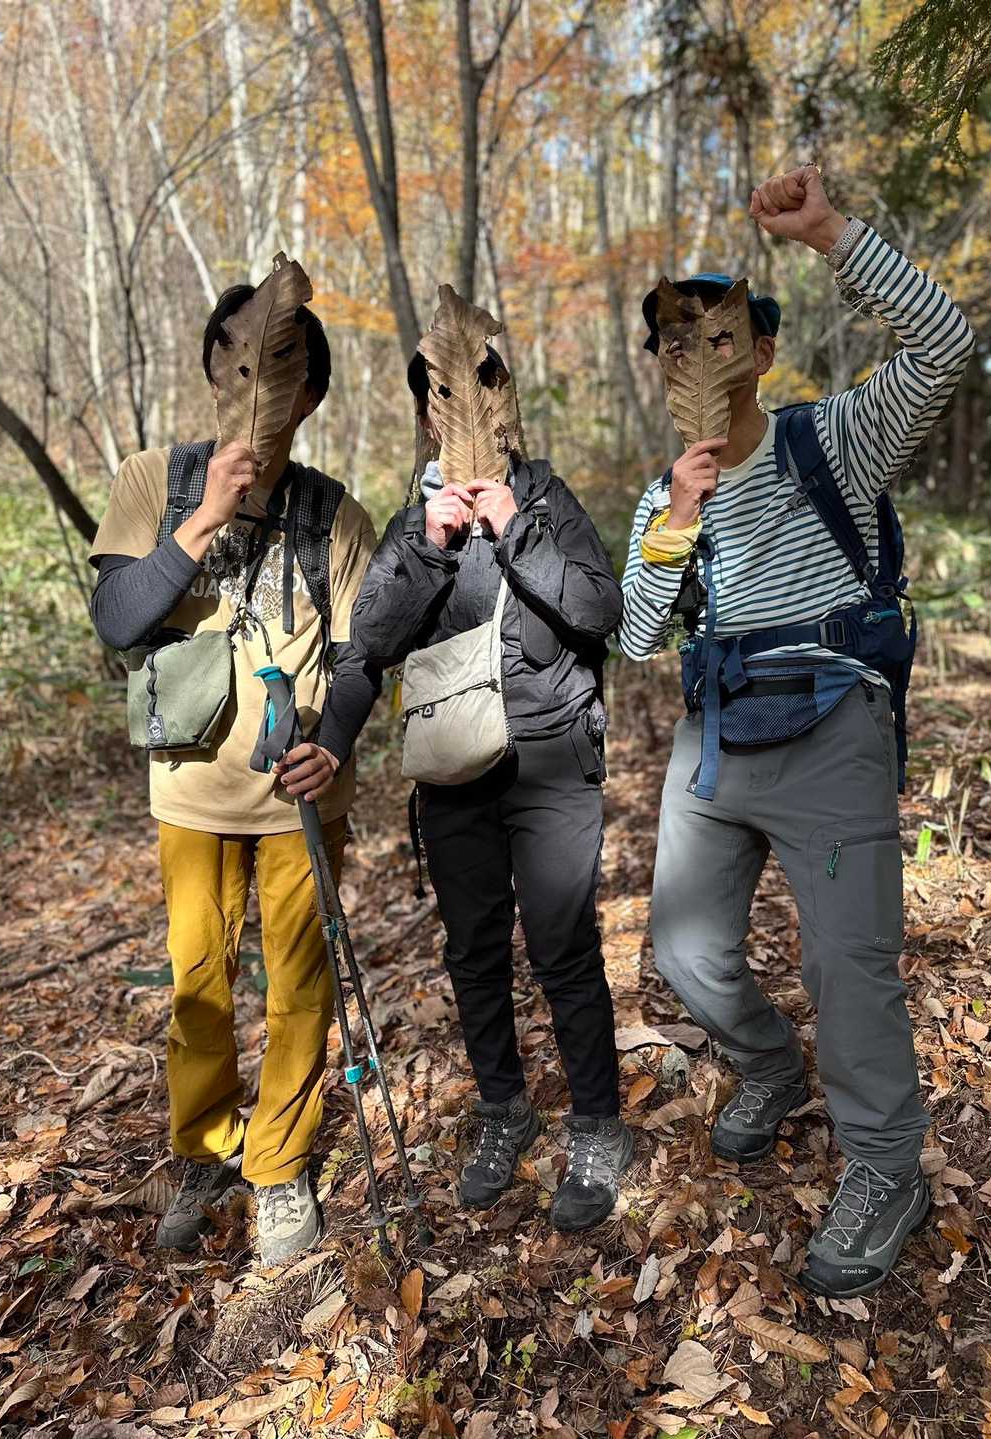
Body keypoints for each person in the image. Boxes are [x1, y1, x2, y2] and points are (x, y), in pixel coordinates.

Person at [620, 164, 975, 1296]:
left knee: (846, 961)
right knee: (684, 949)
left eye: (718, 336)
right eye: (673, 344)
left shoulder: (835, 440)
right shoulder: (666, 494)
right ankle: (771, 1065)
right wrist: (674, 524)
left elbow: (944, 347)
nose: (694, 357)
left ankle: (886, 1165)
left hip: (831, 717)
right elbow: (637, 633)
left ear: (761, 350)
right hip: (717, 729)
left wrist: (831, 234)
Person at [88, 285, 381, 1265]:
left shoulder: (336, 514)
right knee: (199, 985)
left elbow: (362, 656)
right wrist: (204, 518)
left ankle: (280, 1164)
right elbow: (118, 617)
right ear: (215, 369)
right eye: (237, 360)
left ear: (311, 395)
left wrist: (335, 740)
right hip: (191, 793)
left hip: (301, 799)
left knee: (300, 988)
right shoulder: (152, 481)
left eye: (283, 371)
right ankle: (205, 1149)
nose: (256, 385)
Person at [350, 334, 634, 1232]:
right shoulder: (414, 518)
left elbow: (601, 611)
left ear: (504, 400)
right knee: (473, 951)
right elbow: (372, 638)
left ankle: (599, 1124)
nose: (459, 404)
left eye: (478, 384)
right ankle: (504, 1109)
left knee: (562, 946)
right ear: (426, 413)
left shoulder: (546, 499)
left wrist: (516, 528)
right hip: (452, 768)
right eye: (438, 392)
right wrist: (431, 545)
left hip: (551, 759)